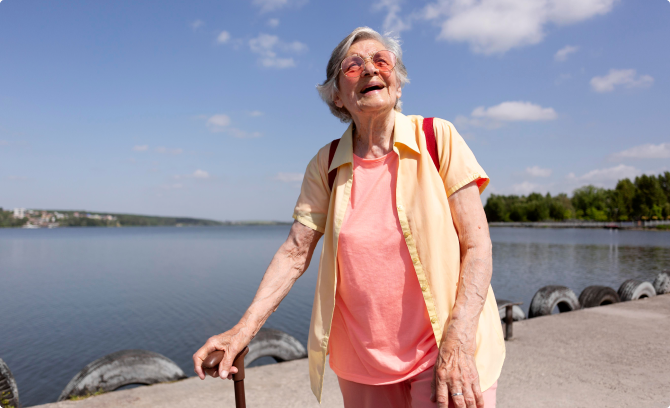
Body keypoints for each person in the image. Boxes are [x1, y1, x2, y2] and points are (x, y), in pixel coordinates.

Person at [193, 26, 505, 408]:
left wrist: (459, 339)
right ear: (338, 97)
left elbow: (477, 245)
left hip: (444, 348)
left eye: (381, 61)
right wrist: (243, 330)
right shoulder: (325, 165)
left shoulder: (438, 138)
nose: (371, 69)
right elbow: (294, 253)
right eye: (354, 66)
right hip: (363, 364)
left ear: (398, 84)